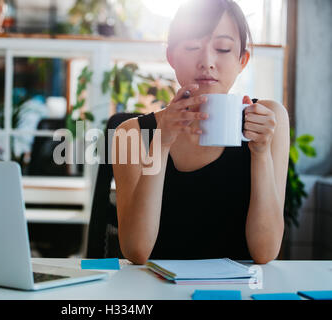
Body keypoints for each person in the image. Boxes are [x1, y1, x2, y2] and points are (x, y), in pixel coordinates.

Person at [112, 0, 290, 265]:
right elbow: (137, 251)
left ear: (242, 60)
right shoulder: (132, 134)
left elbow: (265, 252)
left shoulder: (268, 121)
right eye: (193, 46)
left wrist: (261, 153)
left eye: (223, 48)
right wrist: (160, 143)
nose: (207, 62)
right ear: (171, 57)